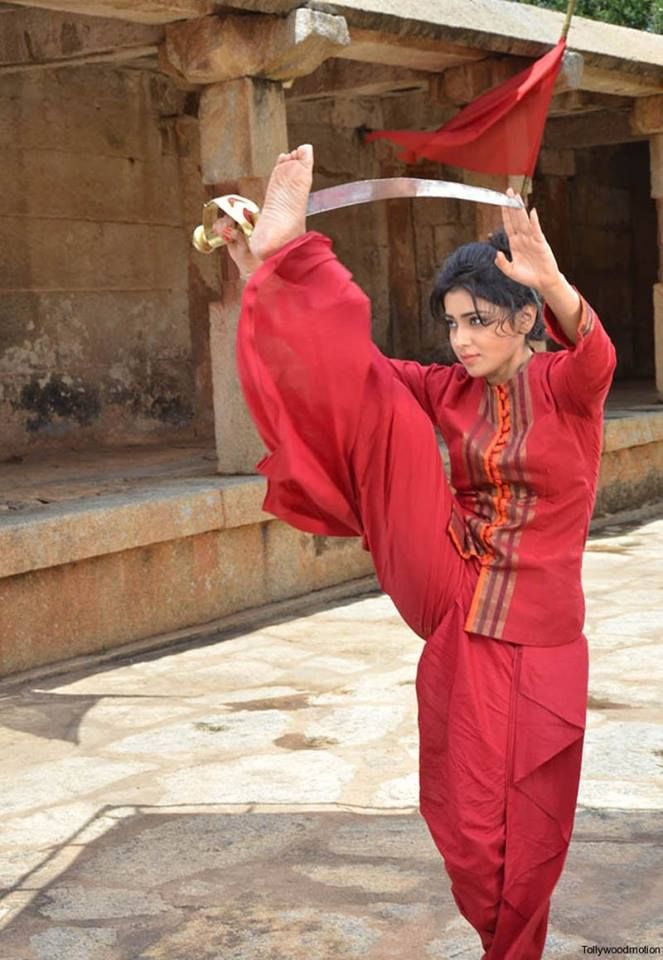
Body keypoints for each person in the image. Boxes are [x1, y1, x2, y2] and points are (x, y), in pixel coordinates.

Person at [214, 144, 617, 959]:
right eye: (452, 323)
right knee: (381, 405)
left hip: (533, 631)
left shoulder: (566, 388)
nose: (461, 340)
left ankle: (510, 949)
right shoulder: (450, 390)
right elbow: (352, 369)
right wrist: (272, 277)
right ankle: (295, 254)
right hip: (449, 579)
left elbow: (596, 354)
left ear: (522, 320)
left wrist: (550, 280)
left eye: (477, 321)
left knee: (496, 832)